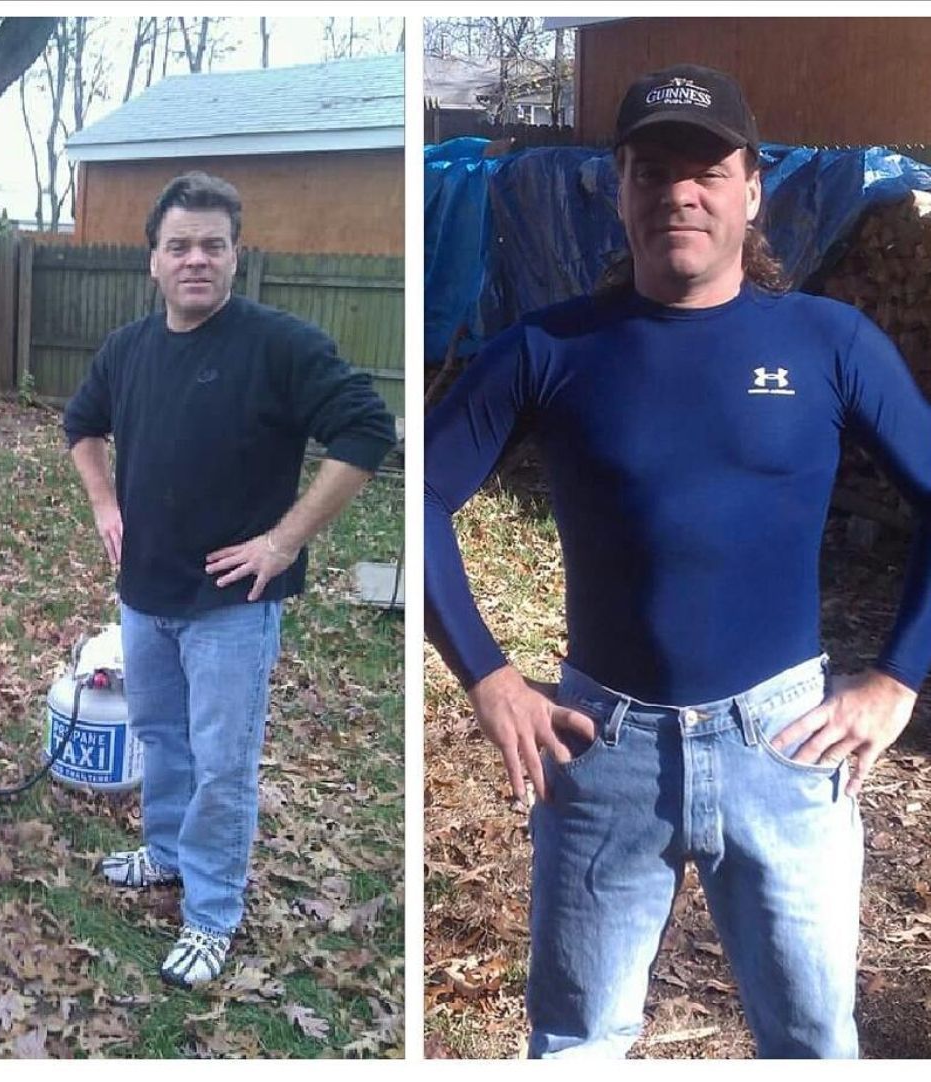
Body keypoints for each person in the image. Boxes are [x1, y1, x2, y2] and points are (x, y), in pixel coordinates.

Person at [425, 64, 931, 1058]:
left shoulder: (828, 342)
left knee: (812, 1044)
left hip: (789, 751)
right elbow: (425, 498)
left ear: (752, 186)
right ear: (618, 190)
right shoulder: (550, 350)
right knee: (574, 1043)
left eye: (705, 168)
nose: (678, 193)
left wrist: (897, 677)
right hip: (599, 750)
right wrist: (487, 675)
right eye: (650, 169)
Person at [64, 172, 396, 988]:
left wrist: (283, 540)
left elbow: (366, 430)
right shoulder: (129, 350)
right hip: (145, 595)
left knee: (223, 765)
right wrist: (106, 502)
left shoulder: (278, 345)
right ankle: (168, 854)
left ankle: (211, 914)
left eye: (213, 245)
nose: (196, 260)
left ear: (236, 255)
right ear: (153, 262)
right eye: (178, 246)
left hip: (231, 611)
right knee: (164, 742)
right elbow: (80, 424)